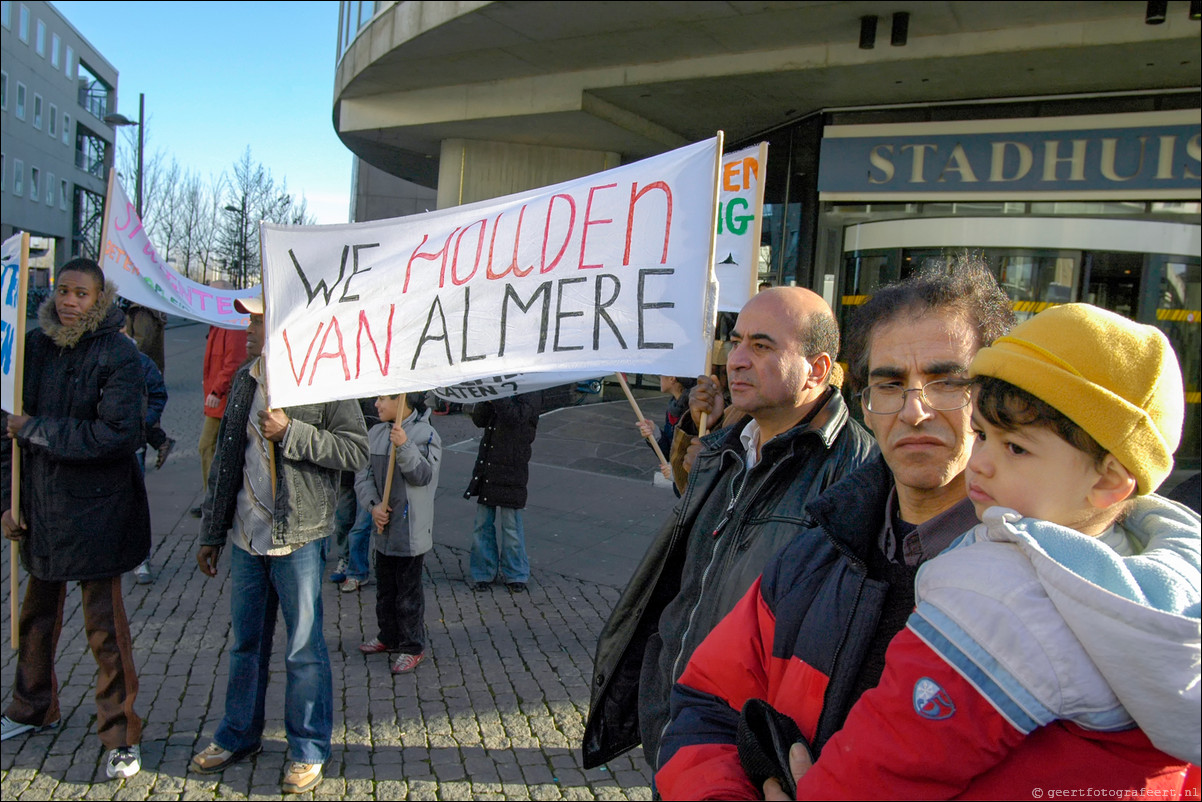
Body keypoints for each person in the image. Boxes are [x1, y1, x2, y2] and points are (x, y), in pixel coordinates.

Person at [748, 302, 1199, 799]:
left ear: (1110, 479)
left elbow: (889, 758)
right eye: (983, 434)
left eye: (1016, 448)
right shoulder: (1161, 576)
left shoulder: (997, 593)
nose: (980, 463)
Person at [653, 257, 1016, 798]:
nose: (914, 411)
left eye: (946, 382)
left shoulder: (1054, 582)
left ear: (994, 396)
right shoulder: (819, 552)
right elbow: (704, 708)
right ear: (868, 402)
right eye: (891, 384)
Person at [584, 287, 878, 773]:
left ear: (818, 369)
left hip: (750, 750)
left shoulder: (858, 473)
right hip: (675, 721)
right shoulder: (725, 445)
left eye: (761, 346)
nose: (736, 360)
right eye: (736, 341)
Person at [190, 296, 367, 795]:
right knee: (246, 645)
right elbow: (227, 459)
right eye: (247, 319)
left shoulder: (325, 378)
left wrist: (293, 432)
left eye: (258, 320)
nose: (247, 329)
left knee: (302, 649)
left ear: (285, 324)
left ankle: (308, 746)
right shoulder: (247, 377)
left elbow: (355, 451)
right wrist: (211, 530)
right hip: (247, 541)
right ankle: (238, 734)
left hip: (300, 540)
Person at [0, 257, 150, 780]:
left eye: (81, 293)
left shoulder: (119, 355)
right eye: (63, 290)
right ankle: (31, 706)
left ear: (99, 299)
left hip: (98, 516)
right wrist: (7, 502)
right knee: (35, 620)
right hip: (39, 512)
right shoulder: (33, 349)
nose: (69, 301)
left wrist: (36, 429)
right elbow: (7, 435)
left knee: (104, 631)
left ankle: (121, 735)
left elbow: (117, 436)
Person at [356, 392, 442, 674]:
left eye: (383, 399)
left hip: (411, 531)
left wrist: (404, 446)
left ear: (402, 402)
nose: (376, 404)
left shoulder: (426, 434)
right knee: (386, 590)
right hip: (384, 528)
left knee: (408, 594)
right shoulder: (376, 433)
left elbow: (423, 476)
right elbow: (364, 476)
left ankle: (412, 646)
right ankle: (388, 636)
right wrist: (373, 506)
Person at [464, 392, 540, 593]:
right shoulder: (499, 389)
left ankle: (516, 573)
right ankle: (483, 572)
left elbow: (516, 418)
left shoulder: (531, 389)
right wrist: (487, 399)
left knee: (511, 524)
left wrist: (497, 396)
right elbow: (480, 420)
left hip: (512, 466)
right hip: (489, 464)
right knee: (482, 524)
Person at [191, 280, 248, 518]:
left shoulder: (231, 322)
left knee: (209, 447)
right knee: (214, 449)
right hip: (218, 399)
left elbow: (233, 361)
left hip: (222, 400)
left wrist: (217, 391)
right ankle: (212, 501)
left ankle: (213, 503)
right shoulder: (221, 322)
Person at [124, 319, 168, 584]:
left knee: (135, 502)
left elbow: (157, 395)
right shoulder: (93, 356)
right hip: (100, 448)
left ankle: (141, 559)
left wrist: (142, 425)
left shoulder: (139, 361)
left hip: (133, 445)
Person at [636, 375, 695, 482]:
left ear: (672, 378)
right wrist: (654, 433)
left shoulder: (693, 412)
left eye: (662, 374)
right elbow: (670, 452)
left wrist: (679, 473)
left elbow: (697, 455)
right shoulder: (673, 408)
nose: (659, 377)